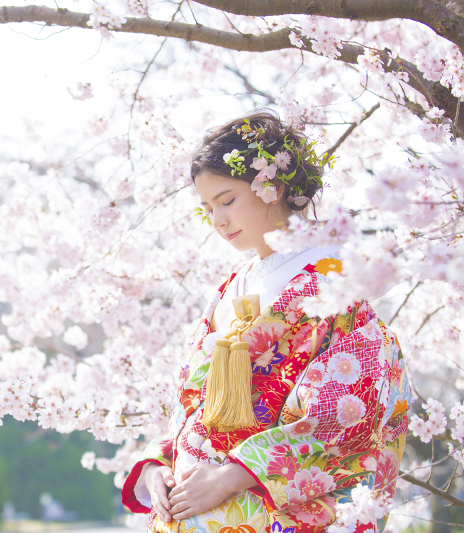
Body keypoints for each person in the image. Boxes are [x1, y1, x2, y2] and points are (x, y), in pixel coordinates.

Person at [121, 111, 413, 532]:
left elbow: (349, 414)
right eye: (208, 209)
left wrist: (233, 475)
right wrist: (159, 466)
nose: (218, 221)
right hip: (192, 508)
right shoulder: (228, 290)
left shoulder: (336, 282)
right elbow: (194, 403)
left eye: (227, 201)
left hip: (264, 511)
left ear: (271, 187)